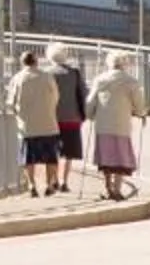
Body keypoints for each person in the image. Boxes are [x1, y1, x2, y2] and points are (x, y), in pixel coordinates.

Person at [89, 52, 148, 201]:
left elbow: (91, 101)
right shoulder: (131, 82)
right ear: (125, 64)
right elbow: (139, 103)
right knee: (120, 158)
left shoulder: (100, 80)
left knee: (106, 159)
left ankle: (108, 188)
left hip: (103, 125)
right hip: (121, 126)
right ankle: (117, 189)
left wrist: (90, 114)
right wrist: (142, 113)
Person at [7, 45, 62, 196]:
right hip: (49, 125)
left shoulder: (17, 79)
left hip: (27, 127)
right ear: (36, 62)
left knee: (27, 159)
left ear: (22, 62)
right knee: (50, 158)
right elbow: (56, 96)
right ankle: (49, 184)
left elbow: (10, 102)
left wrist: (17, 114)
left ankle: (32, 185)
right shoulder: (47, 76)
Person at [50, 48, 90, 194]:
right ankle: (64, 182)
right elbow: (83, 93)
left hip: (52, 118)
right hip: (72, 118)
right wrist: (84, 113)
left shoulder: (47, 74)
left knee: (53, 151)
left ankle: (53, 179)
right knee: (67, 153)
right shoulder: (74, 73)